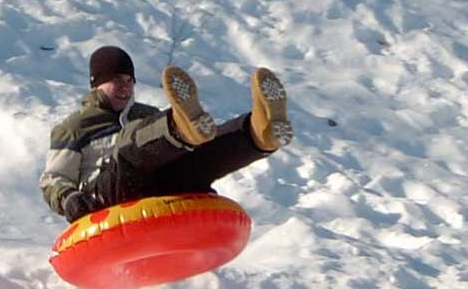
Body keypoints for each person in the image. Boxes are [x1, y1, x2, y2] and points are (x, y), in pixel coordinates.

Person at [40, 45, 294, 222]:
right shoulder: (75, 127)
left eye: (130, 81)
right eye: (117, 79)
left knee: (197, 155)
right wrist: (70, 199)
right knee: (129, 147)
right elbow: (54, 179)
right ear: (96, 83)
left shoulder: (145, 114)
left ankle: (258, 133)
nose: (125, 87)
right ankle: (179, 128)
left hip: (156, 193)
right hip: (104, 200)